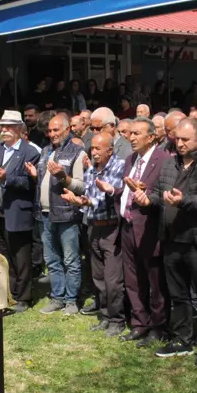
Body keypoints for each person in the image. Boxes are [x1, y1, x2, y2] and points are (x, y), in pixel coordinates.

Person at [133, 118, 197, 368]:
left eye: (186, 139)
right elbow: (159, 194)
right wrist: (148, 201)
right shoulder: (169, 163)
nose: (181, 143)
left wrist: (184, 201)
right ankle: (182, 339)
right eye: (178, 138)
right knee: (178, 295)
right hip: (171, 239)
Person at [63, 133, 127, 337]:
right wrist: (78, 200)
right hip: (93, 226)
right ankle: (106, 316)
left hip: (112, 227)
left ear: (110, 150)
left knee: (113, 278)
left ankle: (118, 319)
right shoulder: (91, 169)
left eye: (99, 149)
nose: (95, 152)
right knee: (98, 276)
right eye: (93, 149)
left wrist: (88, 202)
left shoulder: (120, 166)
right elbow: (89, 195)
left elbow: (109, 196)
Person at [114, 116, 169, 346]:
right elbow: (127, 192)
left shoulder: (164, 160)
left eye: (137, 133)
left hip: (150, 228)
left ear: (152, 136)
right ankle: (139, 323)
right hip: (127, 225)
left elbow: (167, 194)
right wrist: (114, 192)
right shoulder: (130, 160)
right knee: (133, 279)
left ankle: (158, 326)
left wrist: (148, 195)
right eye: (130, 133)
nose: (132, 137)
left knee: (155, 281)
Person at [0, 111, 41, 312]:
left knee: (21, 256)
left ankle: (24, 296)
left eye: (9, 127)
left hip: (18, 211)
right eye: (2, 126)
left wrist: (6, 178)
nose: (4, 130)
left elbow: (30, 183)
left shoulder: (30, 152)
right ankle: (9, 293)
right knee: (3, 254)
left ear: (19, 128)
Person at [32, 114, 87, 315]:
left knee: (71, 260)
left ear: (67, 130)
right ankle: (57, 297)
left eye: (56, 130)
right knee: (52, 259)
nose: (52, 134)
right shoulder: (45, 151)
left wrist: (63, 177)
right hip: (44, 214)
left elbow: (81, 186)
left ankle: (71, 300)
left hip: (66, 214)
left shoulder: (77, 153)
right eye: (49, 131)